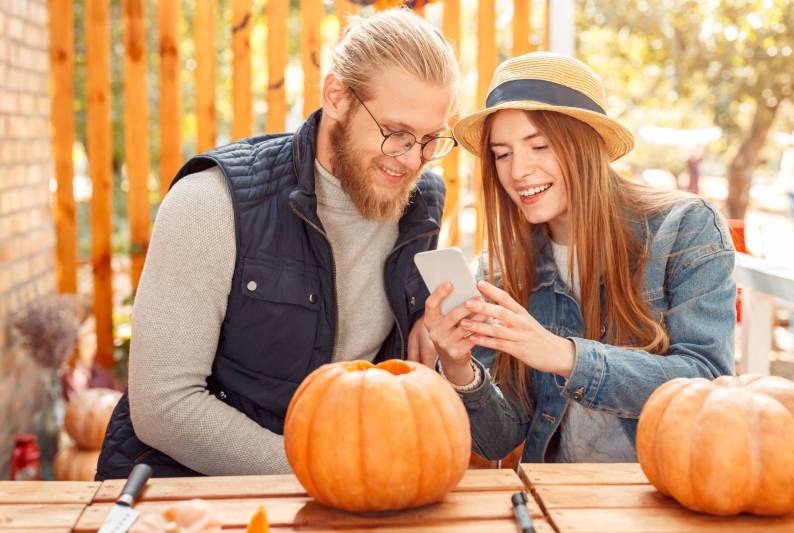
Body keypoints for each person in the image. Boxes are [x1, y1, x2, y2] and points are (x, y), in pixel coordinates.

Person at [96, 8, 459, 479]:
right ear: (337, 97)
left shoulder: (421, 204)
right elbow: (165, 405)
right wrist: (325, 473)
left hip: (342, 489)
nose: (413, 160)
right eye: (396, 134)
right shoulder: (212, 200)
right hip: (186, 491)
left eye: (431, 139)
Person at [423, 52, 737, 463]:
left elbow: (707, 381)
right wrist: (458, 366)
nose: (518, 171)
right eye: (502, 153)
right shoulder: (502, 270)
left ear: (586, 146)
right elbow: (498, 439)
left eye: (540, 145)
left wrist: (564, 356)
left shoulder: (685, 228)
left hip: (664, 493)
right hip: (558, 501)